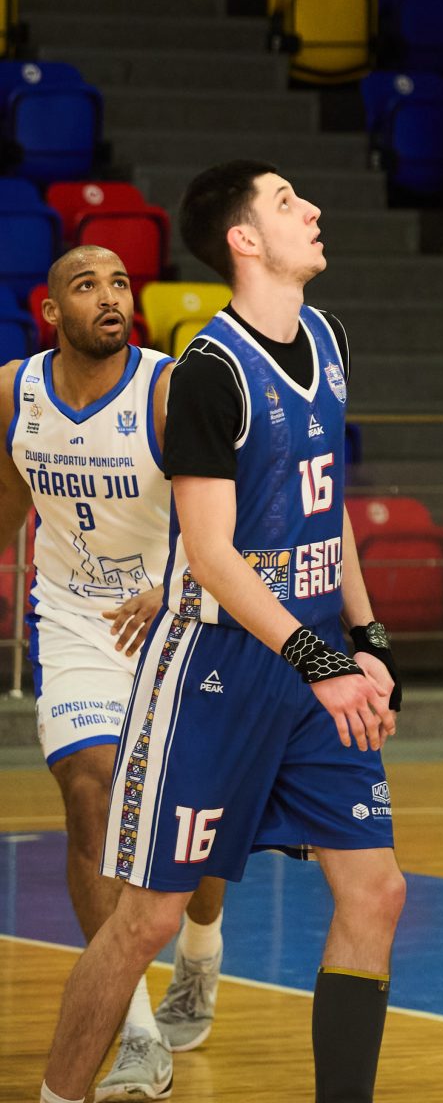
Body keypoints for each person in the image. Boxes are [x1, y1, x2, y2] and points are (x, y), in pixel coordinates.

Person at [35, 162, 406, 1103]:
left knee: (377, 891)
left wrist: (368, 638)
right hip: (216, 668)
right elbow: (208, 554)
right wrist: (320, 659)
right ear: (244, 240)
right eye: (286, 202)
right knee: (148, 919)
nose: (311, 209)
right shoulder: (209, 370)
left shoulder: (329, 336)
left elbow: (328, 505)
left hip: (313, 665)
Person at [0, 245, 227, 1100]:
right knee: (90, 792)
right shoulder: (14, 392)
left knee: (188, 824)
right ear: (50, 310)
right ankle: (133, 1029)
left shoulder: (169, 389)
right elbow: (8, 502)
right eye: (86, 284)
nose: (110, 296)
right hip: (75, 625)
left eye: (121, 283)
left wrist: (177, 585)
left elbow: (233, 516)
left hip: (178, 619)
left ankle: (200, 951)